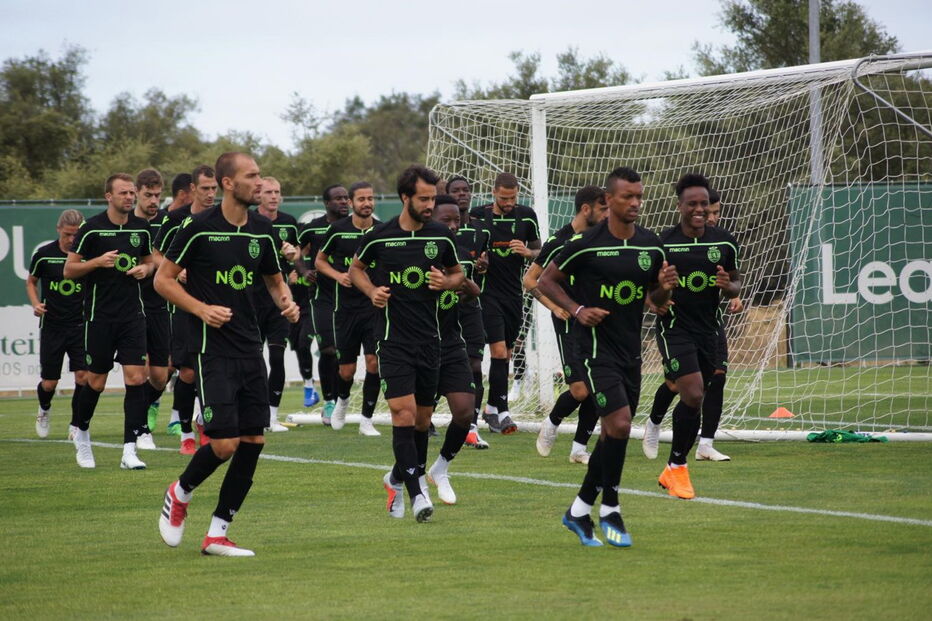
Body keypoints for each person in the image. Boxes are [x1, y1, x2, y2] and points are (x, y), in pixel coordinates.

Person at [156, 151, 299, 557]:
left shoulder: (262, 230)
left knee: (253, 440)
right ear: (227, 184)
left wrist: (286, 301)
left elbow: (274, 280)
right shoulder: (197, 228)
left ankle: (217, 533)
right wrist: (201, 309)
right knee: (223, 444)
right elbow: (163, 282)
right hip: (209, 349)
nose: (260, 183)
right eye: (251, 177)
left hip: (249, 348)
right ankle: (179, 492)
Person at [538, 166, 676, 547]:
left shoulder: (650, 246)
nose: (635, 203)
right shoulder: (585, 244)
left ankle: (579, 510)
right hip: (594, 351)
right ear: (608, 201)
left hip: (631, 352)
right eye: (627, 197)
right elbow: (545, 281)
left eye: (639, 197)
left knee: (616, 431)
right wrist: (578, 309)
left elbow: (655, 303)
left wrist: (664, 289)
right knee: (617, 424)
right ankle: (610, 506)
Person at [349, 165, 463, 522]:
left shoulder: (441, 236)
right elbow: (355, 269)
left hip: (431, 341)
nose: (430, 204)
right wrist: (371, 291)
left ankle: (396, 478)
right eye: (423, 198)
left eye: (432, 197)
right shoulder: (379, 237)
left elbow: (458, 273)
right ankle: (417, 495)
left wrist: (447, 283)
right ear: (405, 198)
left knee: (422, 421)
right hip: (392, 341)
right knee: (404, 413)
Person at [651, 174, 741, 500]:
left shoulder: (724, 242)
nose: (700, 209)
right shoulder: (663, 244)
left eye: (704, 204)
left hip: (709, 330)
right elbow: (653, 299)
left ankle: (672, 467)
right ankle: (678, 467)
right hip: (674, 329)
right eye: (693, 204)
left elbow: (735, 283)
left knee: (696, 396)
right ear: (680, 207)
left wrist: (727, 287)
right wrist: (663, 288)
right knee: (691, 392)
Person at [65, 173, 156, 470]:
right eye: (124, 193)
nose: (129, 197)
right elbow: (69, 269)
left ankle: (129, 450)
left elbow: (151, 260)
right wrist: (96, 262)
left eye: (132, 193)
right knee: (96, 382)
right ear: (108, 196)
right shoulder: (91, 229)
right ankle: (82, 434)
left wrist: (146, 268)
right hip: (99, 318)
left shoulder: (142, 228)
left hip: (133, 315)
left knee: (136, 378)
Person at [526, 185, 608, 464]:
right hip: (569, 324)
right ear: (586, 209)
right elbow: (530, 280)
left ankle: (579, 449)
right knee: (579, 390)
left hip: (596, 321)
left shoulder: (602, 240)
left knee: (598, 385)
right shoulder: (558, 241)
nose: (608, 214)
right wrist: (555, 306)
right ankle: (552, 422)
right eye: (603, 208)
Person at [153, 165, 218, 454]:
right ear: (192, 189)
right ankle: (185, 433)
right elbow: (155, 253)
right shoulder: (176, 219)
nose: (210, 194)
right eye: (205, 188)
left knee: (212, 371)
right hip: (182, 304)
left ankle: (206, 423)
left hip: (214, 303)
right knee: (188, 372)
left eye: (214, 189)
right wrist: (175, 271)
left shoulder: (220, 219)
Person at [423, 196, 484, 503]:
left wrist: (472, 289)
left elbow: (471, 295)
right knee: (418, 420)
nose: (452, 226)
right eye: (445, 220)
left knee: (463, 412)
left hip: (451, 344)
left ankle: (441, 468)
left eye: (456, 220)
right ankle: (409, 475)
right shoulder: (411, 252)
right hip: (416, 346)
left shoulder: (462, 259)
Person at [469, 173, 540, 434]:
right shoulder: (478, 215)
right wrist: (478, 262)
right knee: (498, 352)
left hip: (514, 294)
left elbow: (540, 250)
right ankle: (503, 413)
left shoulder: (527, 215)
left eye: (512, 198)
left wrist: (528, 252)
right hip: (487, 294)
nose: (508, 202)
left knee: (507, 355)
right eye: (503, 198)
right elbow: (468, 249)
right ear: (493, 192)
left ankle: (491, 409)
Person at [315, 182, 382, 436]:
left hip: (373, 308)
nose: (367, 203)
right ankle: (342, 402)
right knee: (347, 370)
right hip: (345, 310)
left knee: (374, 363)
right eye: (361, 199)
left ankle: (366, 419)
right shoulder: (337, 230)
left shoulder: (380, 230)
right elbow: (320, 261)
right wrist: (339, 276)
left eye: (370, 198)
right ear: (352, 203)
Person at [26, 209, 87, 439]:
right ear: (58, 230)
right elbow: (31, 282)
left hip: (80, 326)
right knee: (50, 383)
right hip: (52, 326)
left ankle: (76, 424)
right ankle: (44, 409)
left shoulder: (85, 255)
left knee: (83, 376)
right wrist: (35, 304)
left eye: (76, 235)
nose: (72, 240)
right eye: (68, 234)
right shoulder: (44, 254)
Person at [446, 176, 491, 448]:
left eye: (465, 190)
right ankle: (423, 420)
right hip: (439, 314)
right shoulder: (434, 240)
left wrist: (485, 265)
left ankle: (472, 427)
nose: (462, 195)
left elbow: (484, 267)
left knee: (475, 365)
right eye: (456, 191)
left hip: (470, 311)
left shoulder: (478, 234)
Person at [298, 184, 350, 419]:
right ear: (327, 203)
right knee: (328, 349)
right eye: (338, 198)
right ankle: (329, 402)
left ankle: (342, 399)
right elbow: (294, 252)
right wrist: (303, 271)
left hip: (352, 297)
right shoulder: (313, 228)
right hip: (322, 297)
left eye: (346, 198)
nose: (344, 202)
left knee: (346, 353)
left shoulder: (355, 227)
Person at [254, 176, 300, 432]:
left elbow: (294, 255)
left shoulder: (288, 223)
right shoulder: (250, 222)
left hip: (279, 300)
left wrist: (293, 260)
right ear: (259, 195)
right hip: (251, 299)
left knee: (277, 356)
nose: (274, 196)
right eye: (269, 192)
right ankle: (254, 412)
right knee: (253, 359)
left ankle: (271, 417)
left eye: (277, 192)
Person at [133, 168, 170, 448]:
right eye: (148, 195)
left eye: (157, 195)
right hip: (128, 308)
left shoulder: (165, 224)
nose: (153, 200)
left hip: (159, 306)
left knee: (160, 375)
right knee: (135, 373)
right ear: (136, 193)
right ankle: (140, 427)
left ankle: (140, 411)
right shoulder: (123, 224)